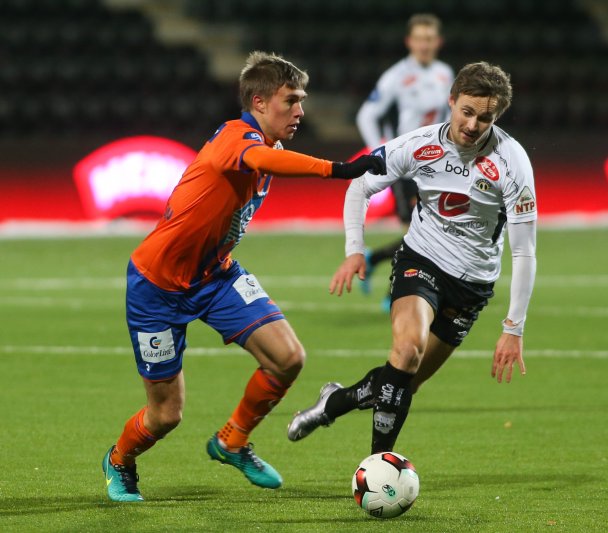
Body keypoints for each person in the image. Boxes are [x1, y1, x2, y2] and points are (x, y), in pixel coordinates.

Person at [101, 51, 385, 502]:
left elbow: (268, 162)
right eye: (290, 100)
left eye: (302, 100)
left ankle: (231, 441)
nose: (300, 111)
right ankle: (120, 460)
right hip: (157, 286)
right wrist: (338, 169)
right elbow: (263, 160)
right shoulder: (238, 139)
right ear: (258, 102)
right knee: (166, 414)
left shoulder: (264, 148)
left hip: (215, 276)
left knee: (288, 358)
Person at [288, 62, 537, 455]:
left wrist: (513, 327)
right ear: (451, 101)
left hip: (472, 284)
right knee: (406, 351)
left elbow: (524, 249)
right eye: (466, 112)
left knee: (405, 382)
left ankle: (335, 402)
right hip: (421, 258)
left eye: (484, 118)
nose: (472, 125)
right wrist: (355, 251)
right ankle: (378, 466)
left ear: (497, 116)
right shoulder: (419, 145)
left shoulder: (513, 162)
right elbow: (359, 188)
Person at [355, 14, 454, 309]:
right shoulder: (396, 76)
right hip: (405, 166)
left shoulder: (445, 73)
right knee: (420, 233)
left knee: (429, 231)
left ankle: (378, 262)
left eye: (429, 38)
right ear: (409, 42)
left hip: (435, 163)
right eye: (419, 38)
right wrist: (380, 153)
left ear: (438, 42)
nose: (424, 44)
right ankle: (397, 290)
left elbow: (448, 116)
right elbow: (367, 114)